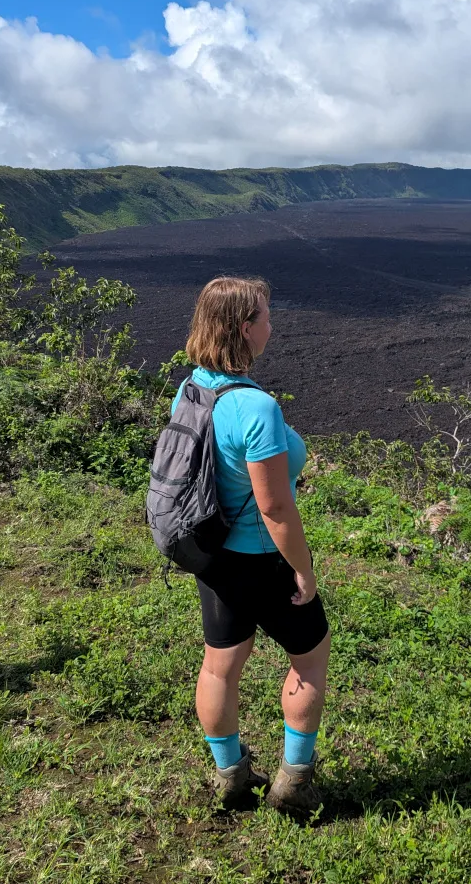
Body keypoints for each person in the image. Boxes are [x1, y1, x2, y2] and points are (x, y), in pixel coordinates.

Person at [172, 275, 331, 815]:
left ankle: (230, 776)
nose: (272, 324)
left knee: (220, 666)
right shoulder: (256, 408)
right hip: (262, 559)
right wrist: (303, 571)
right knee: (309, 662)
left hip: (214, 557)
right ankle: (293, 783)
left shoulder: (193, 386)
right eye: (265, 316)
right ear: (244, 328)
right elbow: (276, 507)